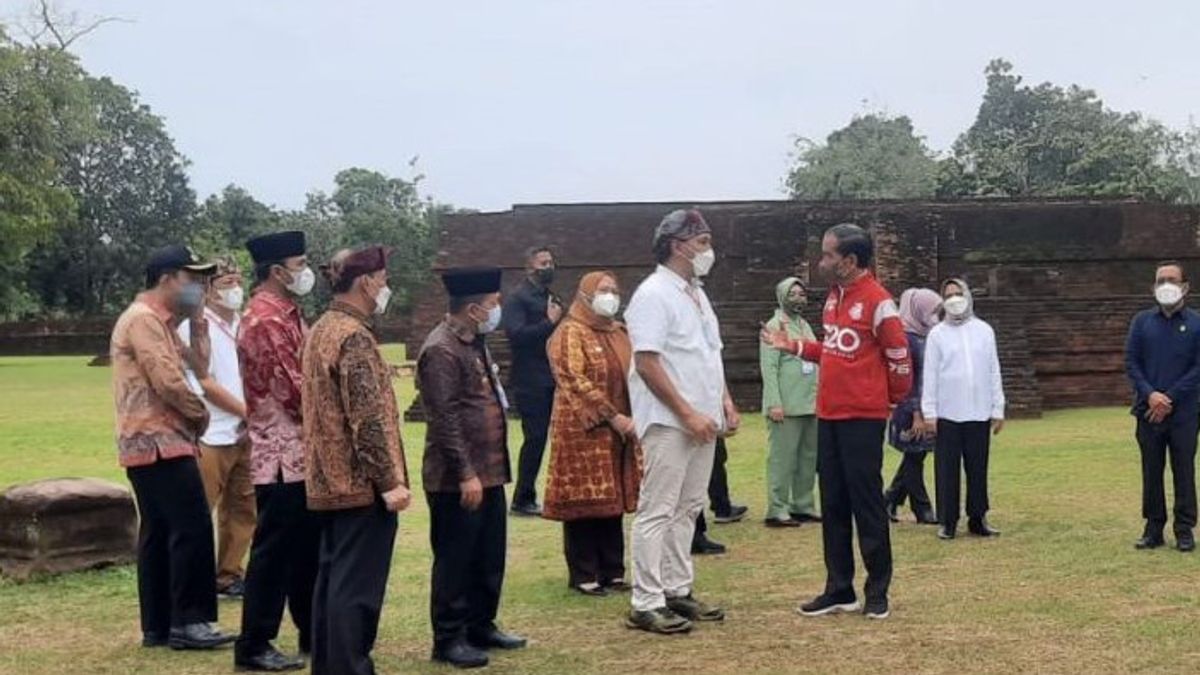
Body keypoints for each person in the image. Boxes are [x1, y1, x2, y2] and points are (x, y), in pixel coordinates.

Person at [762, 223, 912, 621]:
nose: (821, 261)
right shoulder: (833, 299)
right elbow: (831, 350)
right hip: (827, 414)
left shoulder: (879, 302)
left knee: (867, 505)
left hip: (862, 418)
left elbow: (899, 358)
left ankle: (877, 591)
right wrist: (790, 345)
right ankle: (839, 588)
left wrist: (892, 400)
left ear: (849, 261)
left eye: (828, 254)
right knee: (833, 504)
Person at [110, 244, 236, 650]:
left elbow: (199, 365)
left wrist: (197, 320)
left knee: (160, 530)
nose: (199, 286)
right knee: (192, 526)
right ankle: (191, 621)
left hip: (151, 442)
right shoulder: (144, 321)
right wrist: (199, 416)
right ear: (167, 278)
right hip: (161, 441)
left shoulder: (161, 322)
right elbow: (169, 381)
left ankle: (159, 625)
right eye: (192, 278)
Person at [625, 208, 740, 635]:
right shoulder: (653, 294)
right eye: (702, 242)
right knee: (658, 508)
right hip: (671, 420)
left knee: (689, 507)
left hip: (702, 417)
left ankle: (677, 588)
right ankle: (646, 599)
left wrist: (724, 400)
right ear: (678, 245)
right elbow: (648, 362)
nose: (708, 251)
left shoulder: (696, 292)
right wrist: (687, 412)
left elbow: (710, 353)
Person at [303, 247, 412, 675]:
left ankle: (331, 666)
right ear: (366, 282)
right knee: (357, 589)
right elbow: (366, 419)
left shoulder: (322, 329)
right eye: (383, 278)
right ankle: (349, 667)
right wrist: (388, 481)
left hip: (326, 479)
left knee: (333, 581)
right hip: (358, 483)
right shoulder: (354, 337)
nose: (386, 287)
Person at [418, 267, 527, 669]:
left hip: (490, 469)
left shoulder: (474, 341)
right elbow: (443, 419)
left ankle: (481, 624)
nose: (498, 311)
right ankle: (448, 637)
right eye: (494, 305)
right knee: (455, 558)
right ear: (474, 309)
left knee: (488, 554)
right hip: (457, 479)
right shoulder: (441, 349)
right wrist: (465, 473)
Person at [235, 231, 320, 672]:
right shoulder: (265, 319)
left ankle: (312, 631)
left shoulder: (288, 313)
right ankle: (254, 642)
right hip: (281, 456)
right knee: (274, 553)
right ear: (276, 271)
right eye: (300, 263)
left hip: (299, 453)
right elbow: (294, 390)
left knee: (305, 548)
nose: (304, 272)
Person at [542, 271, 642, 597]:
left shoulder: (618, 332)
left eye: (614, 290)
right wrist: (612, 416)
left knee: (612, 501)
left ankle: (613, 570)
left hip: (621, 429)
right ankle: (585, 572)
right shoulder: (570, 331)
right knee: (584, 503)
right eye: (602, 291)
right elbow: (573, 377)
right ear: (585, 295)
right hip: (582, 431)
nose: (610, 296)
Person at [178, 256, 256, 599]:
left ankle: (228, 574)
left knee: (243, 509)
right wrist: (247, 413)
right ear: (207, 291)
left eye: (238, 282)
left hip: (244, 433)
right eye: (226, 284)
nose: (234, 290)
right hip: (211, 432)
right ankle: (188, 580)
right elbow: (204, 383)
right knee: (198, 510)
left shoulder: (244, 324)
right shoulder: (194, 327)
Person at [921, 279, 1005, 541]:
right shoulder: (937, 334)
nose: (954, 299)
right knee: (947, 468)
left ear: (968, 296)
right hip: (947, 412)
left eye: (958, 294)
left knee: (978, 467)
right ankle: (948, 520)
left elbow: (993, 370)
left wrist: (997, 406)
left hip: (978, 410)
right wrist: (930, 411)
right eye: (949, 295)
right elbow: (931, 375)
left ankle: (978, 517)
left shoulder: (983, 330)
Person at [1125, 261, 1200, 553]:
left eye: (1171, 279)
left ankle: (1184, 529)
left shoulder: (1196, 322)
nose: (1165, 284)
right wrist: (1151, 395)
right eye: (1160, 280)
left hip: (1184, 412)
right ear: (1153, 287)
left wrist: (1169, 398)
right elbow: (1132, 363)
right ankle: (1153, 528)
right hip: (1148, 411)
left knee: (1184, 470)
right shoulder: (1141, 322)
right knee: (1151, 471)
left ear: (1185, 287)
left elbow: (1197, 368)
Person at [503, 246, 564, 516]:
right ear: (530, 267)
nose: (549, 266)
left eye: (551, 261)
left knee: (553, 437)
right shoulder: (518, 299)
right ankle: (522, 498)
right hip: (530, 379)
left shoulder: (550, 296)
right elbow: (516, 335)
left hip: (552, 376)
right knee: (535, 437)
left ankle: (551, 491)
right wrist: (548, 323)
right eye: (543, 262)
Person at [759, 277, 821, 528]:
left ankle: (803, 504)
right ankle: (777, 508)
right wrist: (774, 402)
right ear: (782, 295)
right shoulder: (775, 325)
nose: (798, 298)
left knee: (807, 458)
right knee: (782, 459)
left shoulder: (804, 325)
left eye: (801, 294)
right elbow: (769, 368)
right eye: (792, 294)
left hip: (809, 403)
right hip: (785, 406)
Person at [884, 288, 941, 526]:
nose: (936, 315)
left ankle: (890, 497)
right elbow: (908, 379)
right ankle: (921, 507)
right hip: (910, 408)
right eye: (933, 310)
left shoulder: (925, 335)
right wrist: (917, 413)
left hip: (923, 404)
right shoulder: (906, 338)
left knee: (915, 455)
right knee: (915, 455)